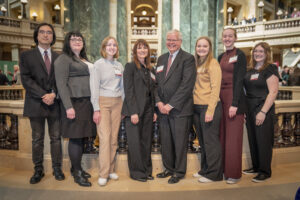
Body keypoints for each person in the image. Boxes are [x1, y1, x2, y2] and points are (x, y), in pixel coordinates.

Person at [19, 23, 64, 184]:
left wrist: (54, 94)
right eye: (43, 32)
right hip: (35, 103)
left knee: (56, 138)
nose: (46, 35)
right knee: (37, 139)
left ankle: (57, 168)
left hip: (55, 103)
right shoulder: (26, 56)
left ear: (53, 37)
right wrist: (44, 94)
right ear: (37, 35)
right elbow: (26, 79)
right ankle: (38, 169)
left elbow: (62, 80)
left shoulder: (59, 57)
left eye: (49, 33)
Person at [54, 31, 95, 187]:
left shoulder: (83, 58)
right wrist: (68, 107)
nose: (77, 41)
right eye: (73, 39)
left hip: (86, 103)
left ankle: (75, 167)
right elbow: (61, 85)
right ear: (67, 42)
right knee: (76, 138)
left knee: (83, 137)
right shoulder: (63, 59)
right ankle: (77, 173)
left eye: (80, 39)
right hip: (73, 103)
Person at [155, 29, 196, 184]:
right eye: (169, 40)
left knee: (179, 142)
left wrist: (170, 105)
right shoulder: (161, 59)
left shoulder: (188, 59)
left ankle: (178, 172)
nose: (171, 42)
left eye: (174, 40)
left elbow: (187, 85)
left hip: (180, 110)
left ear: (180, 41)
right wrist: (159, 102)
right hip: (162, 109)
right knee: (166, 141)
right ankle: (169, 168)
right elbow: (156, 84)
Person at [243, 42, 279, 182]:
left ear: (267, 53)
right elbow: (245, 91)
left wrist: (263, 112)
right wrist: (245, 110)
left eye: (261, 51)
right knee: (253, 138)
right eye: (255, 51)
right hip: (250, 108)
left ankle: (265, 171)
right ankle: (256, 166)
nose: (257, 53)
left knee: (263, 140)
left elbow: (273, 92)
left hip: (263, 107)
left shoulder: (270, 68)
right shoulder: (250, 69)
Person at [122, 39, 157, 182]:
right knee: (135, 143)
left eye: (145, 48)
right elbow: (128, 90)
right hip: (134, 110)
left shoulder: (151, 69)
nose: (142, 50)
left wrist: (154, 110)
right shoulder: (130, 67)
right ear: (135, 51)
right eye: (139, 48)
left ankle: (147, 170)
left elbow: (153, 91)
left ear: (148, 51)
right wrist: (133, 112)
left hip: (149, 110)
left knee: (146, 141)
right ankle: (137, 173)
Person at [91, 36, 124, 186]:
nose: (112, 47)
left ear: (117, 48)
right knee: (104, 139)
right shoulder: (97, 65)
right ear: (104, 48)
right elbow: (94, 88)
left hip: (117, 103)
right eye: (109, 45)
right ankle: (103, 173)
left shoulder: (119, 65)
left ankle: (111, 170)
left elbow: (122, 88)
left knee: (113, 139)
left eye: (114, 45)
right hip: (103, 103)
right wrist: (96, 109)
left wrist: (123, 106)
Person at [218, 28, 247, 184]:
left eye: (230, 36)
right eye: (225, 36)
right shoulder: (220, 56)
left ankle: (234, 173)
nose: (227, 38)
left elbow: (239, 80)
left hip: (234, 97)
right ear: (222, 38)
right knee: (222, 135)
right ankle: (223, 169)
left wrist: (234, 103)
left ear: (235, 38)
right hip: (220, 98)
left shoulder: (240, 55)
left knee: (233, 138)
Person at [192, 37, 223, 183]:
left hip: (209, 107)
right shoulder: (196, 63)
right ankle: (205, 169)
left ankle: (214, 174)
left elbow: (216, 89)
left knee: (211, 142)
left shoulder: (213, 63)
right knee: (203, 142)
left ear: (209, 48)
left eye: (205, 46)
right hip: (196, 107)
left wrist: (210, 111)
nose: (201, 48)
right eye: (199, 46)